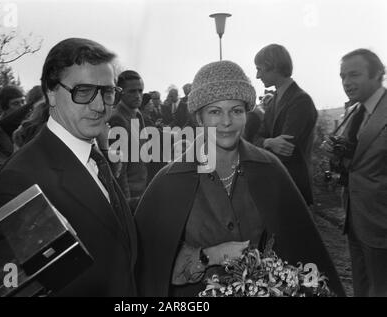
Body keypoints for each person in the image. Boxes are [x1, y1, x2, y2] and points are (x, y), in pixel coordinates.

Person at [135, 60, 345, 297]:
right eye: (215, 111)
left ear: (246, 115)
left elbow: (303, 251)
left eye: (236, 110)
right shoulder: (169, 182)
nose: (226, 122)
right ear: (199, 118)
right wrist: (209, 256)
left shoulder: (270, 169)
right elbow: (148, 267)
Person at [0, 38, 137, 296]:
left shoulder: (96, 157)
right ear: (50, 93)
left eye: (108, 92)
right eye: (83, 91)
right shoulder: (19, 180)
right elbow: (18, 288)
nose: (100, 106)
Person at [337, 49, 387, 296]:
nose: (347, 82)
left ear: (378, 74)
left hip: (382, 224)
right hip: (354, 218)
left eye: (354, 74)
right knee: (362, 286)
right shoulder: (354, 112)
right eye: (343, 76)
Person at [252, 44, 317, 206]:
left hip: (293, 186)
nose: (257, 75)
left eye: (259, 69)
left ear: (272, 66)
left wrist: (263, 143)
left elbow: (286, 150)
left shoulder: (300, 100)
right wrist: (269, 142)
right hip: (278, 183)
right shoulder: (274, 100)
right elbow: (256, 138)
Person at [109, 70, 148, 213]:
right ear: (121, 92)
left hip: (142, 189)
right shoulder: (117, 119)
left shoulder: (137, 114)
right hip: (130, 196)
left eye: (140, 90)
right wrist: (126, 206)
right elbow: (119, 169)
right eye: (132, 91)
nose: (138, 95)